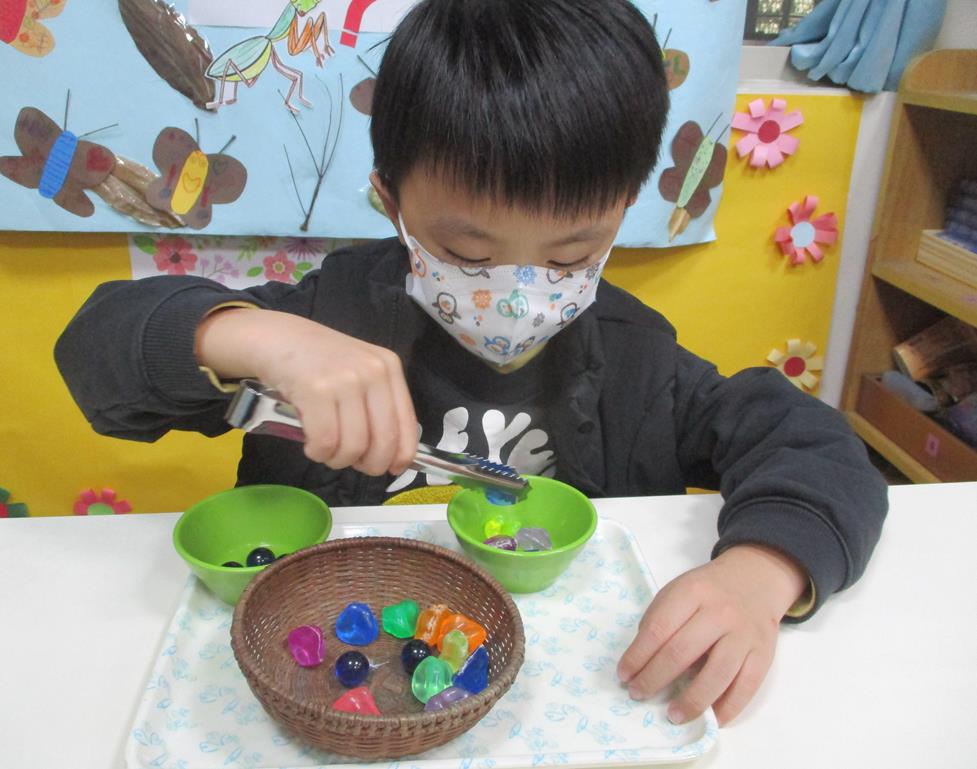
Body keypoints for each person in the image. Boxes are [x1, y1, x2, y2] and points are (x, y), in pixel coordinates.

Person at [55, 0, 887, 729]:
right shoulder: (325, 316)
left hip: (565, 688)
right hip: (336, 679)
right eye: (467, 252)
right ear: (390, 199)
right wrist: (245, 336)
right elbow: (95, 351)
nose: (520, 295)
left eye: (570, 255)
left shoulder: (637, 357)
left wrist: (762, 570)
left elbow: (811, 440)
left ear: (621, 211)